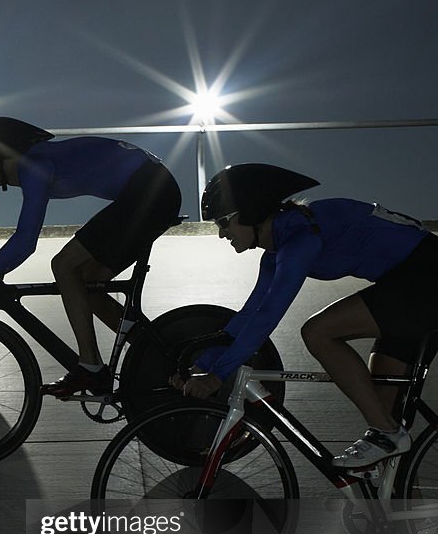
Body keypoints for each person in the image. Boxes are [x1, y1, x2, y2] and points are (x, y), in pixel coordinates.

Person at [181, 162, 438, 469]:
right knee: (383, 427)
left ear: (251, 211)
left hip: (424, 278)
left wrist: (218, 375)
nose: (222, 235)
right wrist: (202, 363)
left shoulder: (300, 237)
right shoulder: (277, 251)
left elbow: (269, 316)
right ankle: (400, 508)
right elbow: (250, 314)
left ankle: (388, 437)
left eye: (223, 223)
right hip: (408, 285)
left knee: (318, 332)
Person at [0, 116, 182, 397]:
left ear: (1, 153)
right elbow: (24, 239)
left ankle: (91, 366)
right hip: (151, 190)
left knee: (64, 265)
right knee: (87, 285)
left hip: (150, 192)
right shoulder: (37, 163)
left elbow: (26, 241)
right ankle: (152, 349)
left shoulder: (34, 166)